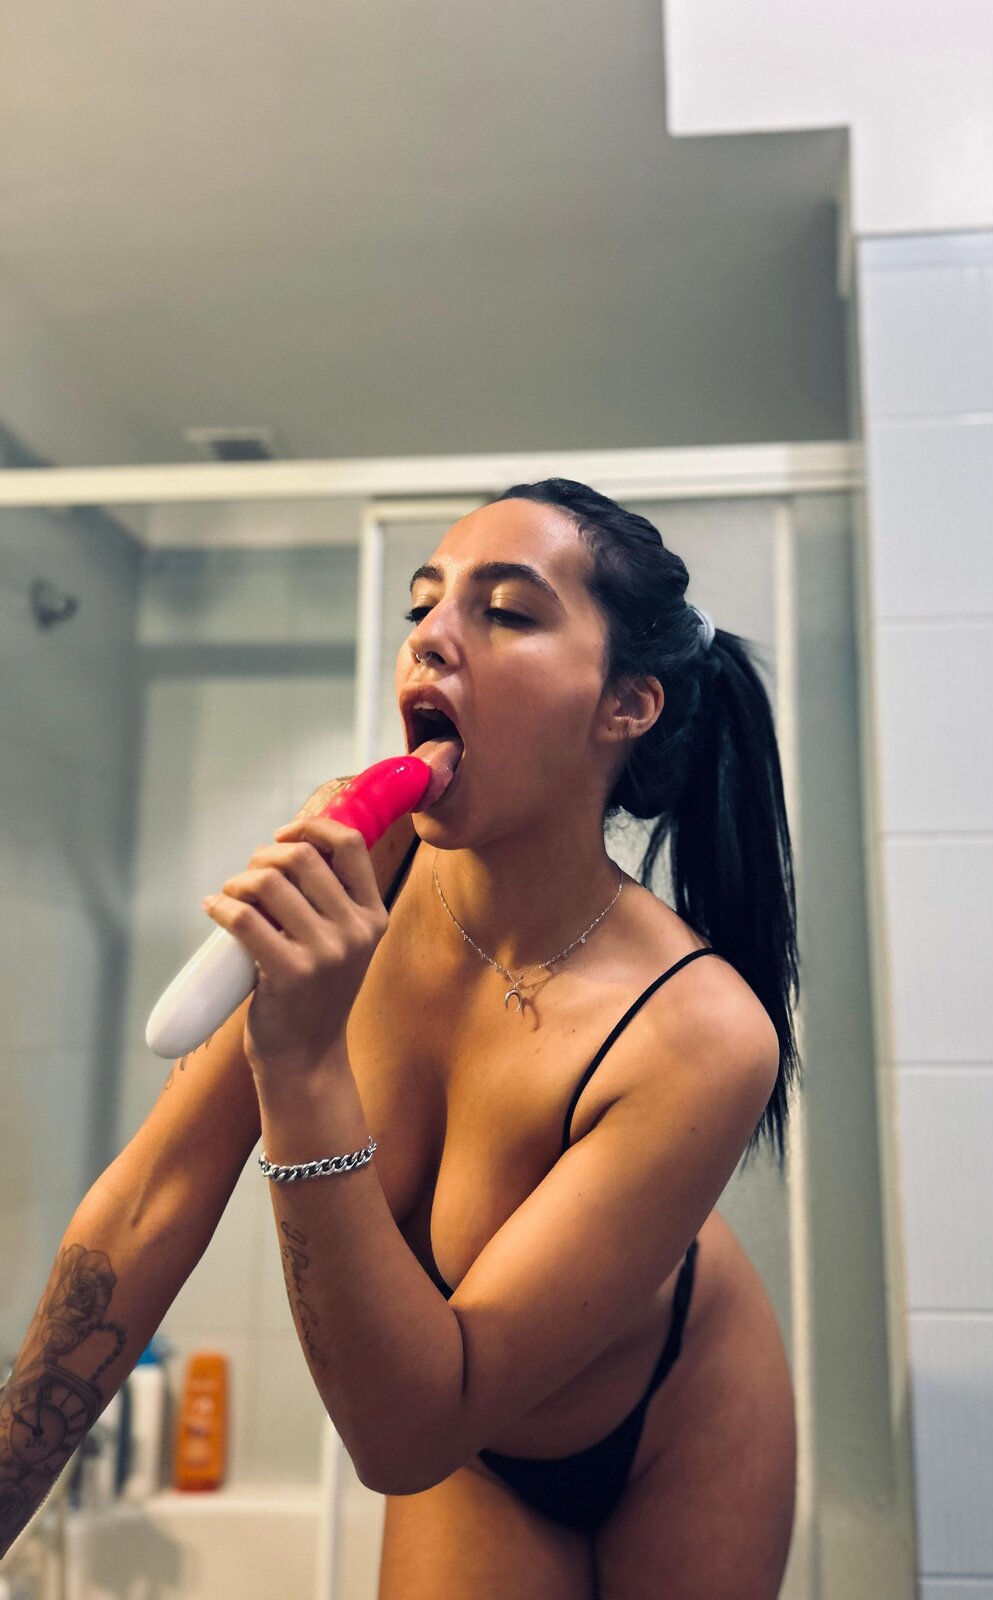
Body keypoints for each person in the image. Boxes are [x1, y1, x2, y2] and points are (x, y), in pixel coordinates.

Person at [0, 478, 801, 1598]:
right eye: (425, 605)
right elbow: (150, 1199)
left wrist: (301, 1061)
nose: (431, 636)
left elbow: (403, 1440)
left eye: (506, 611)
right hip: (469, 1431)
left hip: (675, 1418)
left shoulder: (701, 1028)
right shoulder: (358, 859)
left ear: (626, 704)